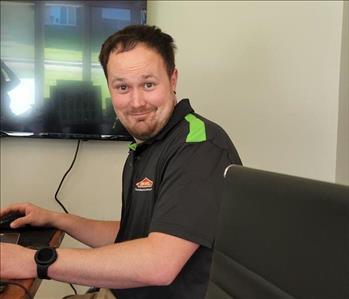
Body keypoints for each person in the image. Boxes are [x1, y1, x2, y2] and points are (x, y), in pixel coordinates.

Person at [0, 25, 242, 299]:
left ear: (173, 80)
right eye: (123, 87)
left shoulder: (198, 146)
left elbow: (158, 263)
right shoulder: (147, 146)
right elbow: (132, 235)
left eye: (148, 84)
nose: (136, 102)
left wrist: (32, 261)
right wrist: (56, 219)